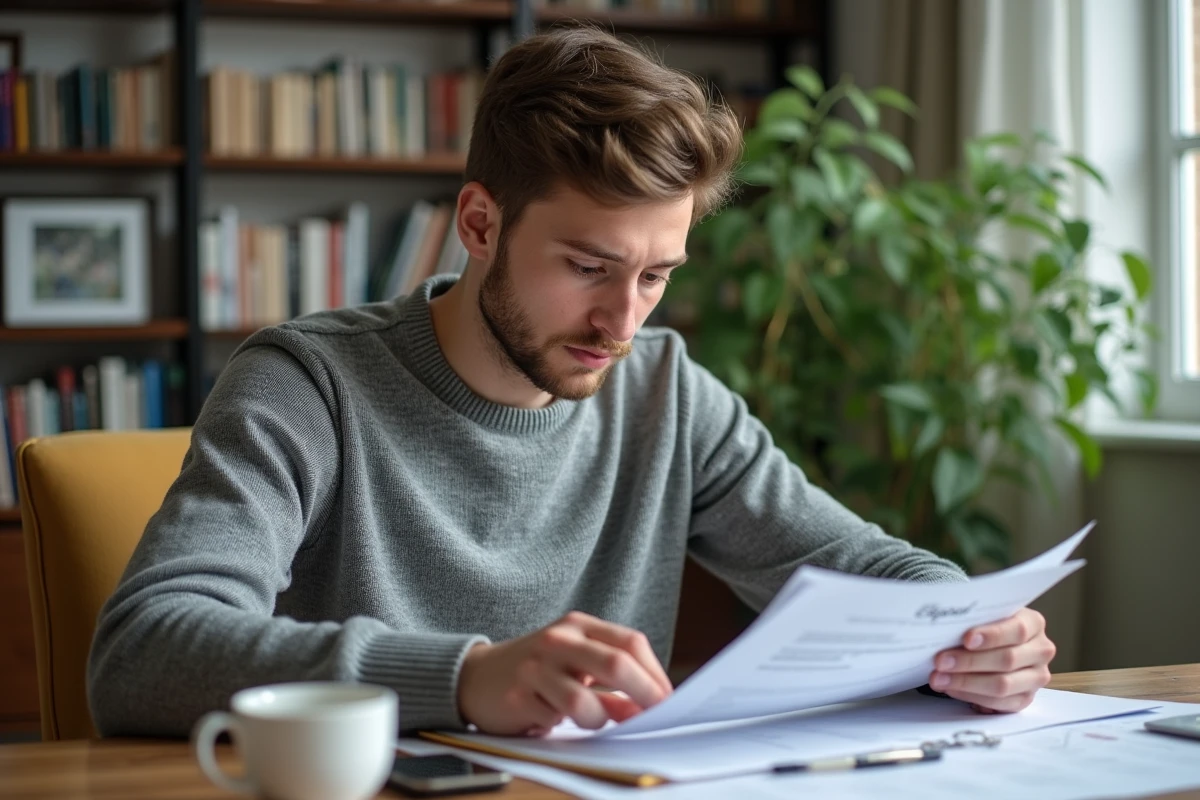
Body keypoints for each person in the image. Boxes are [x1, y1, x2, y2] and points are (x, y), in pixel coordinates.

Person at [88, 26, 1057, 738]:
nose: (623, 322)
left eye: (656, 275)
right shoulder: (308, 384)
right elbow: (144, 651)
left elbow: (865, 565)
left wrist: (971, 629)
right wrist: (465, 677)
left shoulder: (669, 394)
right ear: (480, 224)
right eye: (590, 267)